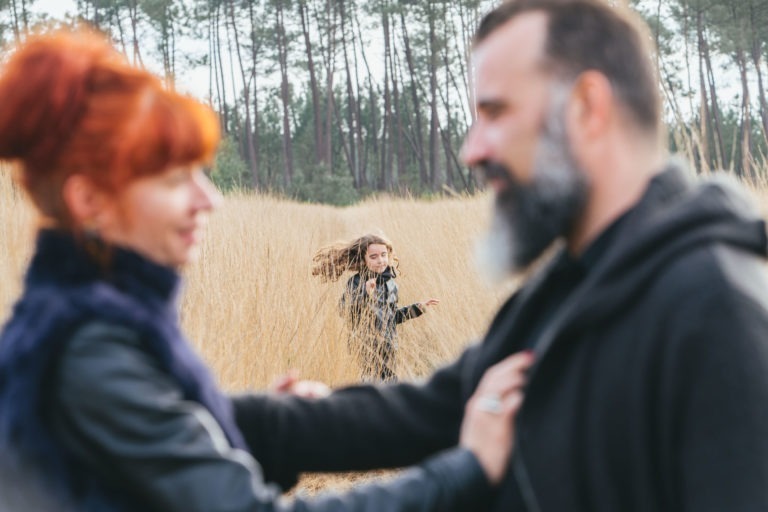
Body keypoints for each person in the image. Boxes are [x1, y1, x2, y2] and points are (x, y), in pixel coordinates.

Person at [232, 1, 768, 510]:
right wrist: (224, 420)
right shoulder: (572, 284)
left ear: (587, 108)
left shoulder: (715, 307)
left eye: (495, 112)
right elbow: (435, 410)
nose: (473, 150)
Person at [0, 28, 534, 512]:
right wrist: (465, 473)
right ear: (89, 199)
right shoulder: (89, 349)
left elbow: (157, 449)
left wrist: (266, 429)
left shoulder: (83, 323)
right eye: (172, 180)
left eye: (200, 174)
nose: (208, 199)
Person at [312, 233, 439, 381]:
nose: (380, 261)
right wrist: (364, 293)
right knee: (370, 388)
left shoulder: (391, 284)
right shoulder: (357, 281)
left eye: (383, 255)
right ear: (363, 259)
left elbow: (392, 317)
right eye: (373, 257)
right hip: (364, 348)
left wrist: (417, 308)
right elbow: (344, 310)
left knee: (390, 386)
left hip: (389, 346)